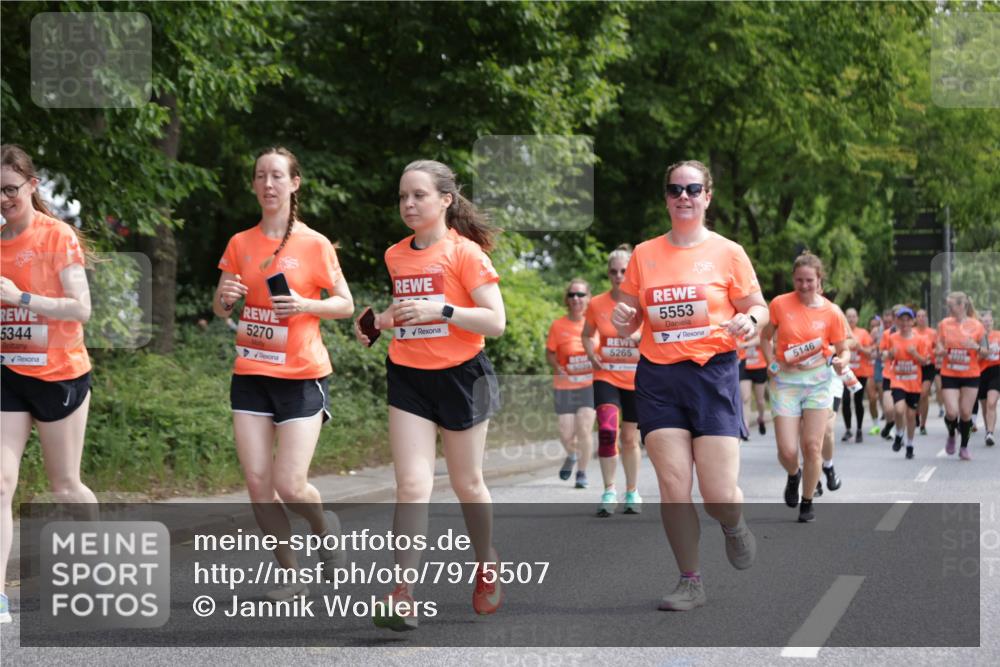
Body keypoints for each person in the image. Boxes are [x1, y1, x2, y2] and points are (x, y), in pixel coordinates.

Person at [354, 159, 505, 630]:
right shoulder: (396, 254)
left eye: (419, 195)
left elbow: (495, 322)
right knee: (412, 486)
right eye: (403, 196)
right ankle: (403, 592)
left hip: (463, 376)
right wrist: (377, 324)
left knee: (467, 484)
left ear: (445, 200)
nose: (409, 204)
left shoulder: (466, 254)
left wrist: (443, 308)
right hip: (409, 376)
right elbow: (408, 311)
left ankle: (486, 563)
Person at [611, 160, 767, 611]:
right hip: (659, 377)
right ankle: (690, 581)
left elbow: (759, 306)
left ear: (707, 196)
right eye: (675, 189)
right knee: (674, 487)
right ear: (666, 197)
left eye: (693, 189)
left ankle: (733, 525)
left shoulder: (728, 252)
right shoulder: (644, 253)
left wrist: (749, 320)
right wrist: (625, 320)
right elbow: (630, 317)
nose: (684, 196)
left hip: (713, 373)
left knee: (718, 494)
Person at [215, 147, 354, 601]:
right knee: (258, 484)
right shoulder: (240, 243)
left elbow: (345, 304)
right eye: (261, 176)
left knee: (289, 483)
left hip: (301, 375)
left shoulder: (313, 244)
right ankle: (291, 574)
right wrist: (227, 296)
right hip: (252, 371)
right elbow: (220, 307)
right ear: (254, 185)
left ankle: (323, 527)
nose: (268, 184)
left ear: (294, 184)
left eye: (277, 176)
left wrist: (306, 304)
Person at [1, 144, 99, 625]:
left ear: (31, 186)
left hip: (60, 373)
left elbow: (81, 309)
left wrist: (20, 295)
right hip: (9, 373)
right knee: (1, 482)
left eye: (10, 188)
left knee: (65, 485)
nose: (3, 199)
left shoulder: (57, 236)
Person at [760, 252, 849, 523]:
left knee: (812, 446)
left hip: (818, 384)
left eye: (809, 280)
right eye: (799, 280)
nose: (804, 285)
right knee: (787, 450)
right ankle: (793, 474)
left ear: (819, 280)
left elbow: (844, 350)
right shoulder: (779, 304)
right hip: (786, 384)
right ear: (793, 279)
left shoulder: (831, 312)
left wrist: (840, 363)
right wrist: (770, 362)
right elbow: (765, 338)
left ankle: (807, 500)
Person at [582, 245, 642, 516]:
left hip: (636, 378)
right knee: (607, 431)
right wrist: (591, 352)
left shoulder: (642, 302)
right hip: (606, 376)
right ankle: (609, 490)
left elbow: (656, 334)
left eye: (624, 271)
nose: (619, 276)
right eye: (614, 271)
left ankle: (632, 491)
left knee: (629, 439)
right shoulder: (596, 304)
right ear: (608, 274)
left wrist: (637, 338)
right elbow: (587, 334)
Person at [548, 279, 597, 490]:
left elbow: (605, 352)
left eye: (580, 295)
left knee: (584, 429)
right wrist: (556, 366)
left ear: (588, 299)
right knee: (566, 433)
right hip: (565, 386)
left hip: (590, 385)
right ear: (567, 300)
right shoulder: (558, 325)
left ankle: (582, 473)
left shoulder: (596, 325)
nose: (576, 298)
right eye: (572, 295)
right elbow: (550, 353)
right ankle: (572, 455)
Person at [936, 292, 988, 460]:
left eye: (950, 306)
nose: (948, 309)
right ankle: (952, 434)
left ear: (961, 306)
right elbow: (938, 346)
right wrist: (940, 351)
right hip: (949, 373)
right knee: (951, 412)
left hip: (970, 374)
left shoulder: (977, 326)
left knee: (965, 413)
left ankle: (964, 447)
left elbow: (986, 351)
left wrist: (976, 347)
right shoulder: (944, 324)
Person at [884, 307, 933, 459]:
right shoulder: (893, 338)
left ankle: (910, 444)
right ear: (897, 321)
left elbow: (925, 361)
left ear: (912, 321)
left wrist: (914, 353)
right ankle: (899, 434)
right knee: (899, 410)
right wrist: (889, 354)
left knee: (911, 416)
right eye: (901, 320)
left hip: (914, 382)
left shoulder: (920, 339)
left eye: (907, 319)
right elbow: (889, 356)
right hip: (898, 380)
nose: (904, 323)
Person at [842, 307, 875, 443]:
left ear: (857, 318)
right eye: (848, 316)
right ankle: (848, 429)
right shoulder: (841, 332)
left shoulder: (863, 333)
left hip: (860, 372)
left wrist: (859, 347)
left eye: (853, 316)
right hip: (845, 371)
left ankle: (859, 430)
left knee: (858, 401)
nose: (851, 319)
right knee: (845, 400)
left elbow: (870, 352)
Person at [740, 333, 770, 435]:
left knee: (760, 401)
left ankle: (761, 418)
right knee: (745, 398)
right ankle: (745, 428)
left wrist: (745, 344)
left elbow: (762, 339)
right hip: (744, 366)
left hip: (760, 366)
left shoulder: (759, 322)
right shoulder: (740, 324)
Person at [914, 309, 938, 435]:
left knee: (924, 394)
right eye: (919, 316)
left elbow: (938, 347)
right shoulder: (911, 332)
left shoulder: (932, 332)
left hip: (928, 366)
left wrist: (932, 354)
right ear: (915, 319)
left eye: (924, 316)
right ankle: (916, 413)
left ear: (927, 318)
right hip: (915, 366)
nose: (921, 318)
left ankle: (923, 424)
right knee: (916, 394)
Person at [977, 310, 998, 447]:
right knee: (984, 405)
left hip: (997, 371)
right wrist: (984, 354)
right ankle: (987, 429)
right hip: (981, 372)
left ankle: (990, 432)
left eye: (989, 321)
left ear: (993, 322)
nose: (987, 324)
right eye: (984, 321)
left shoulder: (998, 335)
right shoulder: (978, 338)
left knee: (991, 403)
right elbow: (974, 358)